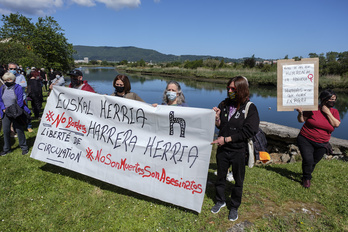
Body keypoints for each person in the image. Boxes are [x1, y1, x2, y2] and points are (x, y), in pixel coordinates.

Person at [211, 76, 259, 221]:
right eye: (228, 88)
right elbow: (221, 126)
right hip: (223, 150)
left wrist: (226, 139)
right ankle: (220, 200)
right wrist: (217, 118)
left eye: (233, 89)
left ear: (242, 89)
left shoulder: (250, 108)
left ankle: (234, 206)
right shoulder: (224, 103)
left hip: (238, 150)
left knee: (238, 181)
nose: (230, 91)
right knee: (220, 176)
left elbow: (249, 131)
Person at [296, 89, 340, 188]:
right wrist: (300, 113)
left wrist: (327, 112)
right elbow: (301, 120)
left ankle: (305, 174)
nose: (333, 102)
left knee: (313, 161)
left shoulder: (334, 112)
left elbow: (336, 124)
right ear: (324, 99)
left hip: (322, 143)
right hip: (305, 138)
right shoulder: (313, 108)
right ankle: (307, 178)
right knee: (308, 159)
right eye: (331, 99)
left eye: (334, 100)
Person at [0, 72, 30, 156]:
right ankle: (6, 149)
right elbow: (0, 100)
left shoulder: (18, 87)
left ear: (14, 80)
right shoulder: (2, 88)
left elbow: (20, 101)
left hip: (16, 111)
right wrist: (3, 109)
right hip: (5, 112)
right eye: (6, 80)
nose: (8, 81)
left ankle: (24, 148)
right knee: (6, 131)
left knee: (19, 129)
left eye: (9, 79)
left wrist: (11, 110)